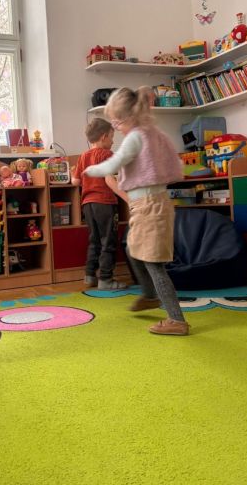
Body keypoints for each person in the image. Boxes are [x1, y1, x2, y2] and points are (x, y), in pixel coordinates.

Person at [86, 86, 190, 335]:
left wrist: (93, 170)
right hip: (147, 204)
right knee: (133, 250)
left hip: (150, 205)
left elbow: (117, 161)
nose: (116, 127)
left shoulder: (137, 136)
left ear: (129, 117)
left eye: (117, 121)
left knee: (154, 264)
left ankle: (177, 320)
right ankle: (150, 295)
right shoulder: (152, 133)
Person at [72, 118, 127, 291]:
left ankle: (90, 275)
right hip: (105, 203)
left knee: (94, 240)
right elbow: (110, 180)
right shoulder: (106, 154)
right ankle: (105, 279)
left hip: (88, 204)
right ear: (104, 137)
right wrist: (128, 199)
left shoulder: (83, 156)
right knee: (108, 240)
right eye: (112, 137)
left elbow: (75, 181)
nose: (113, 142)